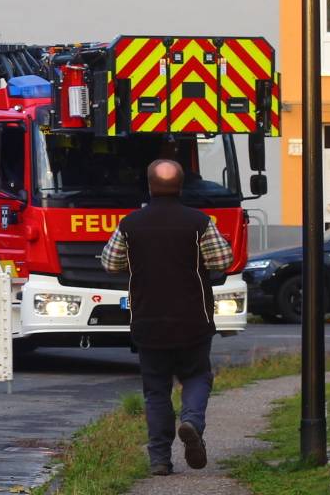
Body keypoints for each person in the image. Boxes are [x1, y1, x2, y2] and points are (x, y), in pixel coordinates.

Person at [100, 158, 233, 476]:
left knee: (156, 390)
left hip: (148, 319)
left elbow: (110, 263)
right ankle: (192, 422)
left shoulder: (130, 224)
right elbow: (223, 259)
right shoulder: (199, 222)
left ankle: (160, 459)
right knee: (197, 376)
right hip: (193, 319)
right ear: (181, 186)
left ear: (149, 186)